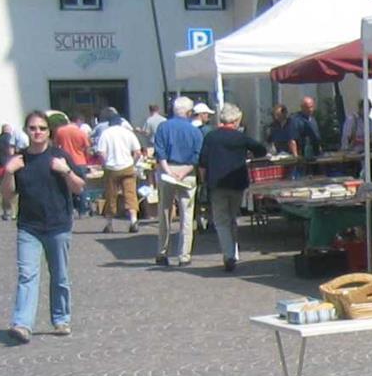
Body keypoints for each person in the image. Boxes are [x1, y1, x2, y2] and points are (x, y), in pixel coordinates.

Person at [0, 111, 86, 342]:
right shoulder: (20, 160)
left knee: (60, 275)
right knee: (27, 274)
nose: (37, 132)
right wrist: (8, 171)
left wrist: (65, 171)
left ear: (49, 132)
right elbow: (7, 195)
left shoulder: (59, 156)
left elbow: (79, 187)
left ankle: (61, 319)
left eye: (42, 128)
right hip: (29, 226)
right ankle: (22, 324)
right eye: (33, 128)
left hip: (58, 224)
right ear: (26, 131)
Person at [198, 102, 269, 272]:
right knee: (232, 218)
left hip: (216, 184)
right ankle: (233, 252)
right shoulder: (240, 137)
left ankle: (229, 254)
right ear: (236, 120)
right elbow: (261, 150)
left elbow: (202, 163)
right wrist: (247, 153)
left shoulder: (211, 137)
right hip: (237, 183)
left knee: (221, 221)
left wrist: (203, 182)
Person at [151, 95, 204, 266]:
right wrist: (184, 172)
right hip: (187, 172)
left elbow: (160, 153)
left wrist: (168, 171)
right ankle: (184, 255)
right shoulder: (195, 131)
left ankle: (162, 251)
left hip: (167, 171)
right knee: (187, 215)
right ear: (189, 112)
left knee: (165, 212)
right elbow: (197, 156)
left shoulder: (163, 127)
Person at [95, 108, 142, 230]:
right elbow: (137, 152)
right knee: (130, 194)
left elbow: (101, 153)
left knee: (111, 195)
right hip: (127, 166)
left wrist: (105, 164)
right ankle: (133, 221)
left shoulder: (106, 133)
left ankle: (109, 224)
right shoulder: (128, 133)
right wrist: (133, 162)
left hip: (111, 168)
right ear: (121, 122)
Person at [0, 124, 20, 220]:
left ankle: (6, 212)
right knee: (14, 190)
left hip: (2, 166)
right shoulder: (13, 138)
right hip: (14, 165)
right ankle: (14, 212)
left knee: (4, 190)